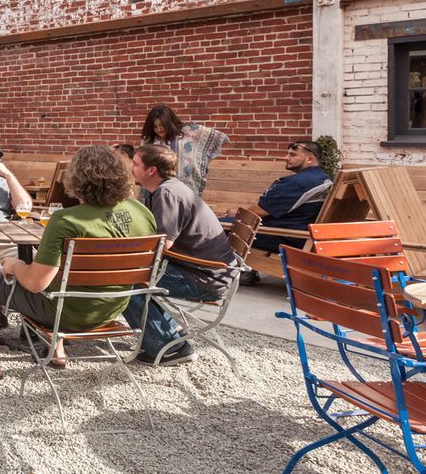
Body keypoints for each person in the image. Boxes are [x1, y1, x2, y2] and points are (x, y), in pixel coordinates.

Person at [0, 144, 156, 382]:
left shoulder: (66, 220)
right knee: (57, 274)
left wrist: (13, 265)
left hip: (66, 314)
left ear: (77, 178)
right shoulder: (142, 212)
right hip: (112, 309)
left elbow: (36, 283)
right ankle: (56, 349)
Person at [123, 144, 237, 365]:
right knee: (131, 275)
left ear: (151, 170)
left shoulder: (167, 193)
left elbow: (161, 246)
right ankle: (168, 332)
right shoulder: (169, 188)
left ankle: (170, 348)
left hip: (204, 278)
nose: (131, 167)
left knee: (125, 282)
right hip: (210, 271)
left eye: (135, 164)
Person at [240, 140, 333, 285]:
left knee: (224, 227)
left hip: (286, 237)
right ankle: (246, 271)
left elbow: (257, 213)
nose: (286, 157)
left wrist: (235, 215)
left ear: (310, 159)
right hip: (304, 233)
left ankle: (238, 272)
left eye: (292, 154)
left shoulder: (297, 183)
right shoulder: (324, 179)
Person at [140, 104, 228, 195]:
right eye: (155, 126)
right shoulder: (149, 141)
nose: (159, 129)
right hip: (156, 191)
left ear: (169, 123)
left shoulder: (186, 135)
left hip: (182, 190)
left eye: (162, 125)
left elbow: (218, 137)